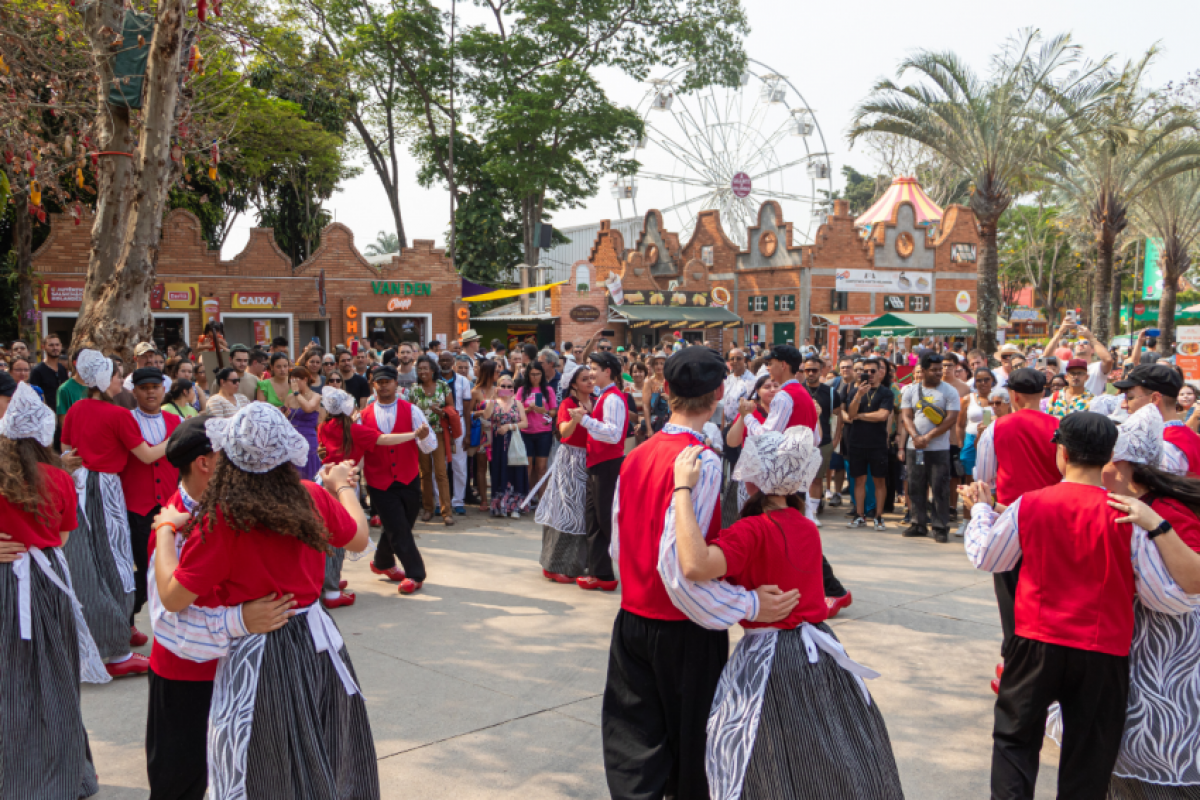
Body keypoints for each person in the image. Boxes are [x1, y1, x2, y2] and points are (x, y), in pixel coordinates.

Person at [962, 411, 1200, 800]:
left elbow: (989, 557)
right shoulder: (1127, 514)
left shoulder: (1030, 503)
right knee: (1089, 759)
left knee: (1014, 742)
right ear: (1107, 455)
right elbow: (1162, 596)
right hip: (1103, 650)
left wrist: (980, 512)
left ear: (1063, 452)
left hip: (1035, 642)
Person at [150, 404, 380, 799]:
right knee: (323, 744)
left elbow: (172, 597)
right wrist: (342, 486)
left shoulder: (224, 520)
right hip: (315, 640)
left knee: (266, 762)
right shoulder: (310, 496)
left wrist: (165, 529)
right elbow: (359, 539)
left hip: (262, 648)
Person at [601, 346, 800, 800]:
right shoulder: (700, 461)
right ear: (718, 393)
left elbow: (617, 543)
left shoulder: (637, 454)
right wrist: (748, 603)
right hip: (683, 628)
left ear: (666, 389)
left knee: (633, 745)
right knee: (693, 750)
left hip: (633, 617)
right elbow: (683, 568)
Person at [673, 431, 905, 800]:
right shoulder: (805, 526)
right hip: (820, 651)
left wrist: (682, 491)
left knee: (763, 756)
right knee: (829, 755)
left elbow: (694, 565)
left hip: (772, 659)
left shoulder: (752, 530)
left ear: (753, 479)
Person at [144, 413, 299, 800]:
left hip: (241, 667)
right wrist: (238, 620)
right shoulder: (172, 527)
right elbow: (166, 617)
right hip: (188, 677)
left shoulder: (238, 508)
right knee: (181, 780)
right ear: (205, 463)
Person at [0, 382, 109, 799]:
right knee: (56, 679)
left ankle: (13, 776)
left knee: (10, 682)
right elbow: (62, 538)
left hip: (7, 584)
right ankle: (68, 772)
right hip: (48, 585)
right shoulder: (60, 479)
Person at [1086, 405, 1200, 799]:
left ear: (1118, 466)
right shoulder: (1117, 503)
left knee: (1160, 754)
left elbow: (1193, 581)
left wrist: (1154, 524)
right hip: (1131, 654)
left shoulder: (1168, 510)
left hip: (1171, 662)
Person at [62, 351, 172, 677]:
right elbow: (148, 455)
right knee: (117, 562)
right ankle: (116, 648)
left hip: (79, 486)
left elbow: (67, 452)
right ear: (102, 380)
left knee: (90, 561)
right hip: (105, 487)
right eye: (116, 376)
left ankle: (115, 631)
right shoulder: (119, 415)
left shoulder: (76, 409)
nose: (120, 381)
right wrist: (176, 438)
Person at [971, 368, 1063, 693]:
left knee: (1010, 596)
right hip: (1052, 521)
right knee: (1046, 595)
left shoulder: (997, 428)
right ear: (1044, 393)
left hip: (1011, 519)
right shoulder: (1059, 427)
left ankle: (1014, 664)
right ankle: (1040, 663)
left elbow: (984, 478)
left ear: (1013, 395)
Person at [360, 366, 437, 594]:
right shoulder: (363, 415)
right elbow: (356, 447)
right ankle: (415, 574)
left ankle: (382, 562)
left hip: (408, 477)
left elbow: (429, 446)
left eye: (387, 381)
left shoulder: (411, 410)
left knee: (401, 525)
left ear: (396, 383)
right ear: (373, 385)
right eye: (379, 382)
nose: (383, 385)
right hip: (379, 481)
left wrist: (424, 437)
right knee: (399, 529)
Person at [121, 366, 184, 649]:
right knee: (141, 568)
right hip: (136, 504)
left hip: (169, 505)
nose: (150, 392)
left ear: (164, 389)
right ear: (134, 391)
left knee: (170, 567)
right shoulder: (125, 419)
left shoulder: (175, 420)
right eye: (144, 388)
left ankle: (157, 624)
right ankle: (125, 621)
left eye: (155, 387)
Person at [573, 350, 627, 590]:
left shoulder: (613, 398)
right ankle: (601, 573)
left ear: (608, 371)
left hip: (607, 464)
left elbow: (613, 434)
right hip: (598, 463)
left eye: (595, 369)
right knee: (595, 519)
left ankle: (627, 567)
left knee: (605, 519)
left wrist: (585, 420)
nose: (591, 373)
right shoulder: (605, 396)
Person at [536, 362, 593, 582]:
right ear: (574, 385)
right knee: (566, 509)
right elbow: (563, 433)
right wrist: (575, 420)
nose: (590, 382)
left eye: (591, 378)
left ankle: (579, 564)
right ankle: (555, 565)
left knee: (584, 513)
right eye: (584, 379)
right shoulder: (568, 404)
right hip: (571, 460)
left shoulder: (597, 401)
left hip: (591, 459)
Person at [900, 353, 962, 542]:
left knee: (940, 488)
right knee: (916, 486)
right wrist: (915, 437)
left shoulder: (949, 391)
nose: (938, 373)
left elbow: (951, 418)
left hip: (939, 449)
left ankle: (940, 526)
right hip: (915, 449)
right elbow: (906, 416)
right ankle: (918, 524)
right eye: (934, 370)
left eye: (940, 369)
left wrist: (928, 437)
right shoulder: (910, 390)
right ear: (924, 370)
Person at [1116, 365, 1200, 479]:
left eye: (1130, 397)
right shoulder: (1190, 437)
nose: (1123, 405)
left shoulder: (1163, 444)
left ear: (1155, 398)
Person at [843, 356, 894, 531]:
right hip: (857, 442)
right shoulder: (854, 392)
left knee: (879, 481)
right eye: (866, 371)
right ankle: (859, 515)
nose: (869, 374)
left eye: (873, 371)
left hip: (877, 443)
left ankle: (878, 516)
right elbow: (850, 414)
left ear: (880, 372)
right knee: (859, 480)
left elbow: (882, 415)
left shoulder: (886, 393)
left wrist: (860, 416)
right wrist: (858, 395)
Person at [408, 355, 456, 525]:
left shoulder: (443, 386)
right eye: (420, 369)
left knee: (441, 472)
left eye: (425, 368)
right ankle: (428, 508)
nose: (422, 371)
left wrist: (442, 412)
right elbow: (409, 411)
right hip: (421, 435)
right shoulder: (414, 389)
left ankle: (446, 512)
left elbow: (451, 408)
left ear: (433, 370)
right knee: (425, 472)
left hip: (439, 433)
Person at [483, 372, 530, 518]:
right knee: (499, 471)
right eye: (503, 386)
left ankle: (515, 507)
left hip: (514, 440)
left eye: (509, 386)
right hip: (498, 443)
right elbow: (486, 416)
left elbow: (525, 423)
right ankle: (500, 506)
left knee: (516, 471)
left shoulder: (517, 403)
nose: (506, 388)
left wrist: (509, 426)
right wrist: (492, 398)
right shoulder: (493, 402)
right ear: (498, 387)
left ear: (513, 389)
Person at [802, 355, 840, 528]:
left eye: (814, 370)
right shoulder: (798, 390)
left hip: (823, 442)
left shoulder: (830, 393)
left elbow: (838, 416)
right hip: (800, 442)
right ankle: (801, 513)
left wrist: (836, 439)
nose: (810, 373)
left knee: (817, 479)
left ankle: (814, 513)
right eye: (807, 370)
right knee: (800, 480)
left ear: (821, 370)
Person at [439, 351, 473, 515]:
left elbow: (467, 410)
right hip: (439, 422)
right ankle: (439, 501)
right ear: (439, 362)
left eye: (448, 360)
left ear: (453, 362)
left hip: (458, 422)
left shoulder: (463, 381)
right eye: (442, 360)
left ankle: (458, 501)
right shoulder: (434, 380)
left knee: (459, 465)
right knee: (440, 465)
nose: (445, 363)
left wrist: (468, 434)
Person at [518, 360, 558, 500]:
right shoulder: (522, 390)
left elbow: (554, 412)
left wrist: (544, 411)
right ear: (528, 375)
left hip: (544, 433)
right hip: (526, 432)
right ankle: (526, 499)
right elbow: (516, 411)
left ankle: (542, 500)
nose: (535, 377)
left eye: (538, 374)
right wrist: (528, 409)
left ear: (542, 374)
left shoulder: (548, 390)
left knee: (541, 468)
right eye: (532, 374)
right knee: (527, 467)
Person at [284, 366, 323, 481]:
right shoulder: (289, 398)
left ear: (305, 379)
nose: (293, 384)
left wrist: (297, 393)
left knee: (308, 469)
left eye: (296, 380)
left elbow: (308, 408)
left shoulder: (315, 396)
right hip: (292, 438)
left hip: (308, 437)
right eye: (291, 381)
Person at [471, 360, 499, 509]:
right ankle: (483, 500)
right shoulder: (476, 391)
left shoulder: (499, 389)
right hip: (482, 432)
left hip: (497, 431)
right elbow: (468, 413)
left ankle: (496, 498)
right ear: (489, 373)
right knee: (481, 467)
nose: (499, 374)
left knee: (497, 466)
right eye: (496, 371)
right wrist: (481, 412)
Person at [28, 333, 68, 409]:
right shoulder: (37, 371)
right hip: (46, 412)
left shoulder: (62, 369)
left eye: (57, 345)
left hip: (62, 411)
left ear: (61, 346)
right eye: (51, 345)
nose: (55, 348)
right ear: (43, 347)